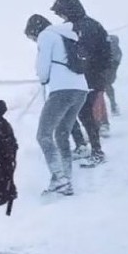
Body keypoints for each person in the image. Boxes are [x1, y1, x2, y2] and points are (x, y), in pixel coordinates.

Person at [24, 14, 88, 196]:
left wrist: (43, 77)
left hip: (62, 90)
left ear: (35, 30)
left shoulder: (46, 35)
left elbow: (43, 71)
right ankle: (65, 179)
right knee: (62, 134)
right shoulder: (66, 35)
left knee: (43, 135)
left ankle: (60, 178)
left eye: (32, 37)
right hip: (80, 89)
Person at [51, 0, 110, 166]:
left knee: (85, 115)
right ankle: (93, 149)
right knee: (83, 114)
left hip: (87, 79)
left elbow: (82, 55)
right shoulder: (89, 25)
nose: (61, 17)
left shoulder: (82, 28)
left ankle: (97, 151)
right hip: (91, 78)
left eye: (61, 13)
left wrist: (74, 69)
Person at [103, 34, 123, 116]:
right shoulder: (117, 51)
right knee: (107, 88)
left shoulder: (115, 51)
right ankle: (113, 106)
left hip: (107, 74)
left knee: (105, 88)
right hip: (108, 74)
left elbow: (113, 64)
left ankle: (113, 106)